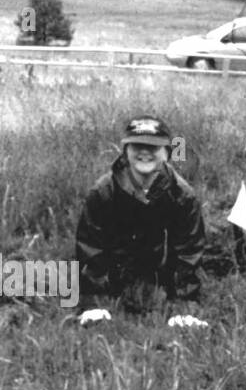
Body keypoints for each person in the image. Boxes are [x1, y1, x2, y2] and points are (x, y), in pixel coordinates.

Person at [74, 115, 207, 317]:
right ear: (125, 152)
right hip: (116, 276)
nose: (144, 152)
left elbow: (188, 255)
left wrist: (185, 308)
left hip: (161, 277)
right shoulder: (102, 193)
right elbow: (90, 250)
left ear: (167, 153)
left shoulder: (183, 197)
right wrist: (93, 305)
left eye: (153, 147)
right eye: (136, 146)